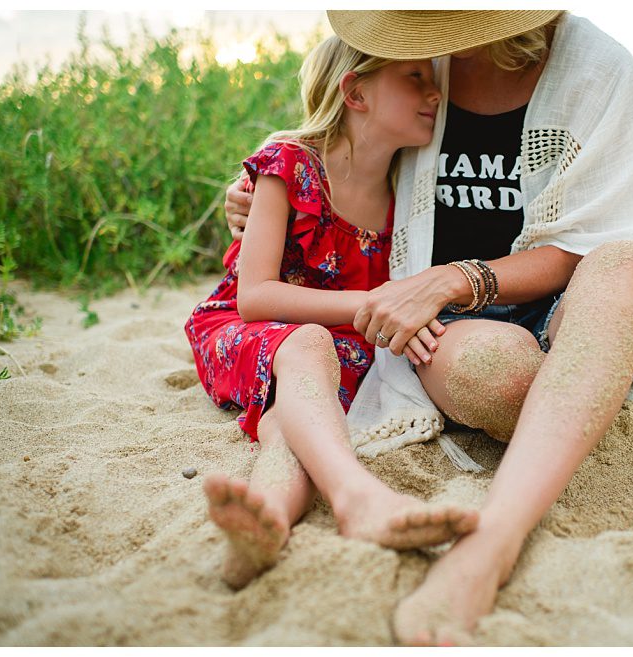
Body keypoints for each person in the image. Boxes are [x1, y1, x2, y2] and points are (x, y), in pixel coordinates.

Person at [224, 11, 633, 645]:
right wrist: (258, 195)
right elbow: (332, 143)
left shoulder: (599, 69)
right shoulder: (408, 52)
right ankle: (572, 399)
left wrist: (456, 278)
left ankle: (493, 543)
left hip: (548, 296)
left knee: (628, 264)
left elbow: (589, 241)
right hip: (450, 323)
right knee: (505, 378)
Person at [185, 35, 477, 590]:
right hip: (242, 330)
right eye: (413, 77)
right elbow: (255, 296)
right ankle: (356, 497)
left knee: (292, 424)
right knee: (310, 346)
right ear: (355, 92)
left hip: (338, 347)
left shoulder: (407, 194)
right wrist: (375, 303)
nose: (434, 91)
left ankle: (267, 519)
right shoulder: (290, 166)